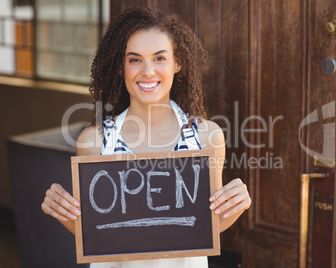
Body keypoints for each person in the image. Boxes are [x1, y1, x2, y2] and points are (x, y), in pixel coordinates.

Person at [41, 7, 251, 268]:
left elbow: (208, 225)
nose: (148, 71)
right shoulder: (94, 142)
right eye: (135, 59)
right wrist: (62, 211)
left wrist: (237, 205)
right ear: (121, 66)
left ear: (178, 63)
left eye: (159, 58)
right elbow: (94, 231)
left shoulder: (207, 137)